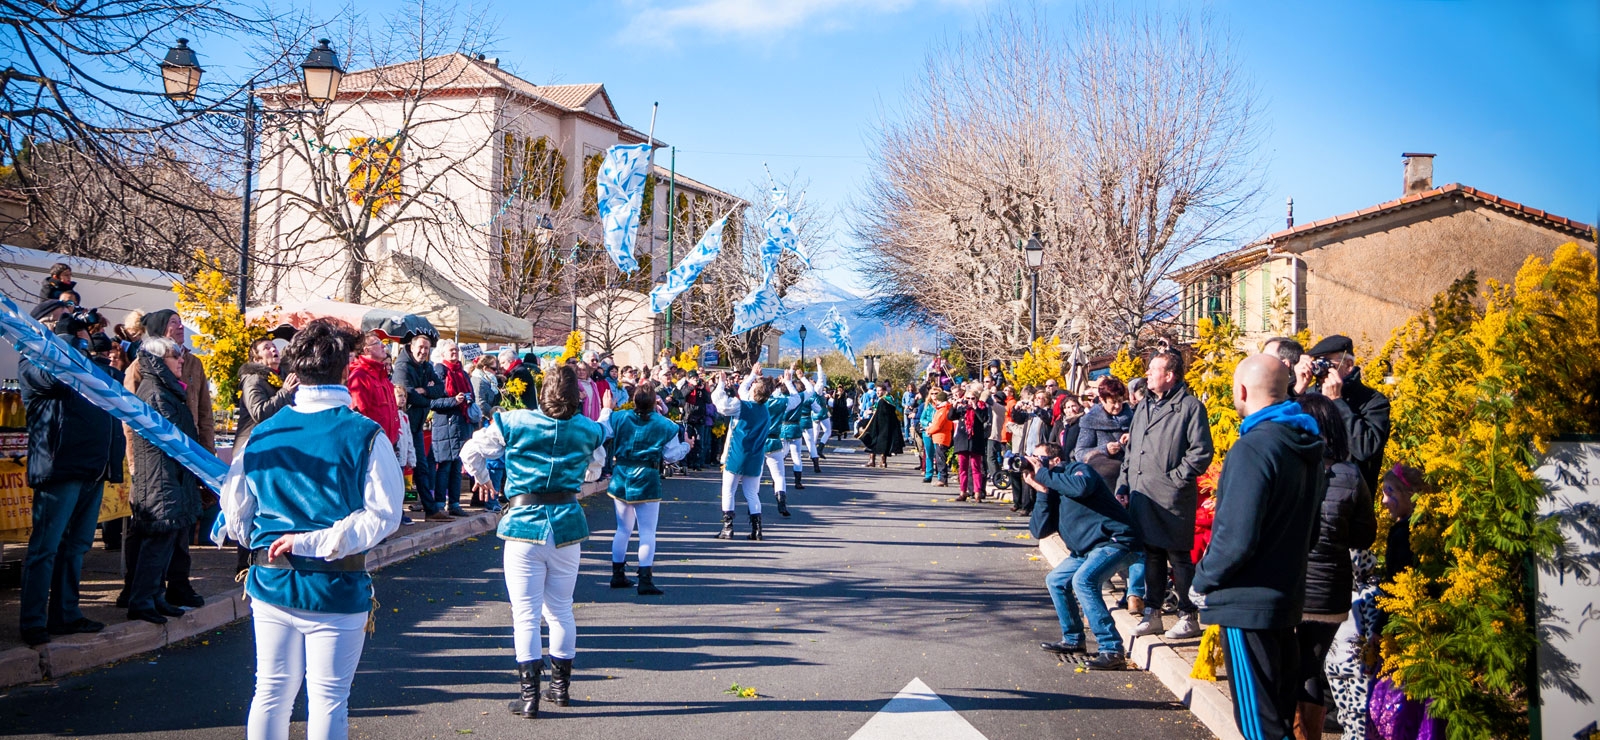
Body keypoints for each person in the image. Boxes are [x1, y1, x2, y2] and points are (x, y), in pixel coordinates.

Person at [214, 319, 401, 740]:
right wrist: (317, 542)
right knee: (328, 699)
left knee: (271, 692)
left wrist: (271, 542)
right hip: (336, 586)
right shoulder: (365, 433)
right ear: (344, 369)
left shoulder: (260, 434)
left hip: (272, 581)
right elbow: (385, 515)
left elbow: (237, 513)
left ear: (295, 370)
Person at [461, 363, 610, 719]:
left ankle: (529, 698)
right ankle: (560, 690)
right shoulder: (588, 430)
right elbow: (595, 469)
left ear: (544, 392)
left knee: (525, 615)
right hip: (566, 525)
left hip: (523, 525)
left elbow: (470, 451)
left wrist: (486, 480)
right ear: (577, 396)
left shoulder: (514, 421)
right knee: (561, 610)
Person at [1191, 355, 1327, 740]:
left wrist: (1201, 581)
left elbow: (1234, 538)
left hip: (1247, 604)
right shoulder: (1305, 446)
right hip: (1284, 598)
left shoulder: (1253, 448)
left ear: (1242, 391)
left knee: (1260, 727)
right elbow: (1312, 533)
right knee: (1277, 717)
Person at [16, 312, 116, 645]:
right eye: (57, 320)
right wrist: (68, 338)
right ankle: (33, 620)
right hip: (59, 469)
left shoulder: (85, 361)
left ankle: (66, 614)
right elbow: (56, 378)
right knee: (46, 548)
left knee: (76, 547)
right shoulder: (32, 359)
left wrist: (91, 344)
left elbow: (109, 387)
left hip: (91, 468)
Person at [1292, 393, 1377, 740]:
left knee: (1287, 663)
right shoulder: (1352, 476)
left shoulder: (1290, 468)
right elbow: (1364, 536)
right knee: (1312, 666)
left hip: (1292, 586)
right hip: (1331, 592)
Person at [1120, 349, 1215, 641]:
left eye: (1153, 370)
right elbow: (1132, 449)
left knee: (1178, 556)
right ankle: (1153, 613)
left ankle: (1188, 615)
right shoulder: (1143, 406)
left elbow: (1201, 452)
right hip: (1141, 494)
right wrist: (1123, 484)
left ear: (1170, 376)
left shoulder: (1189, 407)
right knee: (1151, 555)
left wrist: (1174, 478)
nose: (1147, 374)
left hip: (1171, 498)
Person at [1024, 442, 1143, 670]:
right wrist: (1042, 493)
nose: (1034, 463)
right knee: (1056, 580)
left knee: (1083, 580)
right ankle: (1073, 639)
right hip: (1085, 550)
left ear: (1055, 460)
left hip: (1117, 541)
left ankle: (1111, 649)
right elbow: (1039, 531)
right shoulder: (1051, 485)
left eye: (1038, 458)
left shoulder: (1078, 470)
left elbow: (1081, 488)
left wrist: (1044, 475)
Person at [124, 337, 203, 624]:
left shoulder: (166, 389)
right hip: (160, 477)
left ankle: (155, 597)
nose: (181, 360)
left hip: (168, 476)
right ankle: (142, 600)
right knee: (156, 543)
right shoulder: (156, 393)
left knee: (166, 542)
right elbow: (177, 437)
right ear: (158, 361)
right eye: (174, 355)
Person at [604, 383, 689, 596]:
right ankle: (645, 579)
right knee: (647, 531)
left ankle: (617, 573)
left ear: (634, 400)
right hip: (647, 477)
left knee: (623, 528)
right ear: (655, 402)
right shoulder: (666, 425)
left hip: (622, 474)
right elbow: (671, 455)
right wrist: (687, 445)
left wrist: (607, 408)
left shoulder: (619, 418)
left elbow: (602, 429)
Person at [1304, 335, 1391, 493]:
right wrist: (1296, 388)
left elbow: (1366, 449)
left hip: (1351, 502)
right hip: (1312, 499)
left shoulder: (1373, 402)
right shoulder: (1309, 397)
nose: (1320, 370)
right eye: (1316, 363)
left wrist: (1337, 402)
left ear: (1348, 365)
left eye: (1326, 363)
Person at [711, 365, 781, 540]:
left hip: (737, 453)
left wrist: (720, 384)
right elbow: (743, 391)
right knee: (751, 493)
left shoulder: (742, 407)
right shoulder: (765, 411)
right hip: (756, 455)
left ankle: (728, 528)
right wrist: (752, 376)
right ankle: (757, 530)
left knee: (728, 489)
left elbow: (720, 403)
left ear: (755, 391)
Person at [392, 333, 454, 521]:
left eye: (426, 348)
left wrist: (425, 391)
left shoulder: (427, 366)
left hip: (417, 425)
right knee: (400, 467)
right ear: (411, 348)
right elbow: (407, 395)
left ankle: (430, 509)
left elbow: (441, 389)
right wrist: (425, 396)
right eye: (420, 347)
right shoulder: (402, 367)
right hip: (403, 425)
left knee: (422, 467)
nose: (423, 351)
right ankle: (399, 511)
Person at [431, 340, 475, 517]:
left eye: (456, 350)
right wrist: (453, 401)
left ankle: (455, 504)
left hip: (461, 424)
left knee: (457, 465)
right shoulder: (439, 371)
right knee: (445, 465)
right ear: (443, 354)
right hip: (445, 424)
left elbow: (471, 393)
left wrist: (468, 399)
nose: (455, 353)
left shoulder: (462, 373)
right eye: (451, 350)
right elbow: (433, 401)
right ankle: (440, 504)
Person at [760, 370, 812, 516]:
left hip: (762, 439)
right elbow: (808, 392)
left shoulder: (758, 402)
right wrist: (791, 381)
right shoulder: (785, 401)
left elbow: (745, 392)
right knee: (786, 467)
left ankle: (754, 506)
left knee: (755, 476)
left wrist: (755, 377)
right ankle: (782, 499)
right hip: (784, 433)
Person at [1074, 376, 1133, 488]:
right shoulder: (1091, 420)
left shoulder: (1134, 417)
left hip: (1132, 477)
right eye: (1113, 402)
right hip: (1106, 480)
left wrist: (1134, 437)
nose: (1117, 406)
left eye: (1120, 401)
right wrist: (1105, 449)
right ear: (1102, 400)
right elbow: (1080, 453)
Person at [237, 338, 299, 444]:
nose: (273, 349)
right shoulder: (253, 379)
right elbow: (259, 413)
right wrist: (285, 392)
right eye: (267, 348)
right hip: (253, 444)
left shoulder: (283, 375)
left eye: (274, 346)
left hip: (277, 441)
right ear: (257, 360)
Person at [949, 384, 991, 501]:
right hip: (962, 440)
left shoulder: (982, 408)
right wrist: (954, 406)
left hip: (975, 441)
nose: (970, 401)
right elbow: (951, 417)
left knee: (976, 467)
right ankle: (963, 491)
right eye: (968, 398)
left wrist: (975, 407)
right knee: (963, 467)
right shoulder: (962, 408)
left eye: (973, 398)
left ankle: (977, 492)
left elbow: (983, 419)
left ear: (977, 399)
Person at [925, 390, 954, 487]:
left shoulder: (943, 410)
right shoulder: (943, 409)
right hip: (939, 436)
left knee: (940, 459)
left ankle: (943, 479)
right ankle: (942, 478)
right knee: (939, 458)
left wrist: (929, 431)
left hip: (941, 437)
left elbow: (938, 425)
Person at [471, 355, 501, 422]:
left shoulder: (487, 379)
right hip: (482, 419)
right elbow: (480, 403)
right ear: (485, 368)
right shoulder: (478, 380)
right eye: (494, 369)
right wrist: (494, 414)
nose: (496, 372)